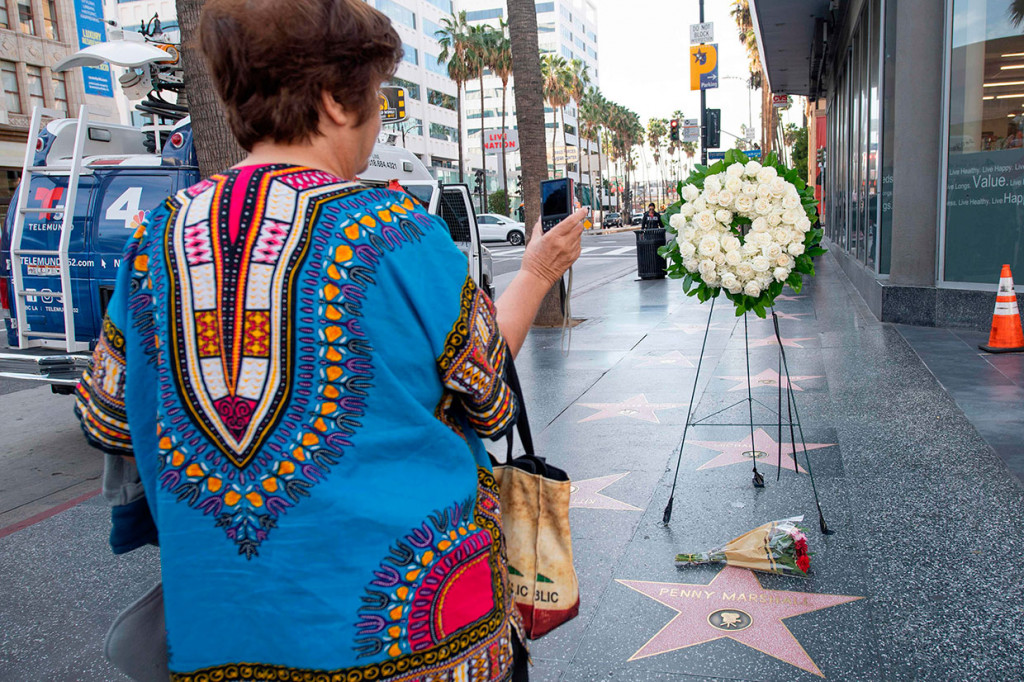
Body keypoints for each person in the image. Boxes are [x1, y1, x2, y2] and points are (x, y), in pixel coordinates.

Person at [73, 0, 585, 679]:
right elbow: (489, 394)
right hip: (421, 644)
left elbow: (108, 421)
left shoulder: (153, 242)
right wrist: (541, 269)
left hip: (227, 637)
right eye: (376, 96)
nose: (377, 119)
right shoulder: (396, 232)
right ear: (335, 102)